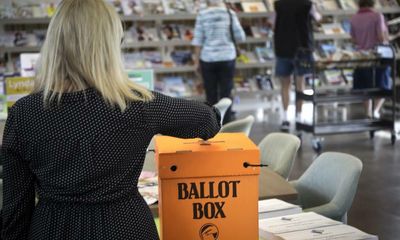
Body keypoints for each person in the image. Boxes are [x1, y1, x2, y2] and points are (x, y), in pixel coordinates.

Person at [1, 0, 221, 239]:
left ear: (55, 44)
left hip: (52, 228)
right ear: (111, 46)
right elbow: (207, 121)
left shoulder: (23, 113)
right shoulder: (138, 104)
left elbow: (16, 211)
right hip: (125, 226)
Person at [192, 0, 246, 124]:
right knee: (226, 93)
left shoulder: (202, 14)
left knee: (210, 94)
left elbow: (198, 40)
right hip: (227, 57)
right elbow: (240, 37)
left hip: (208, 58)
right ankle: (225, 123)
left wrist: (196, 62)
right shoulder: (230, 14)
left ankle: (211, 124)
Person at [273, 0, 321, 132]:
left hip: (283, 48)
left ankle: (285, 119)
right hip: (303, 49)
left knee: (284, 86)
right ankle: (299, 117)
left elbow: (273, 23)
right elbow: (318, 18)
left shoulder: (278, 4)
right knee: (300, 85)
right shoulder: (308, 4)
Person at [350, 0, 392, 118]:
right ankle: (376, 110)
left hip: (361, 57)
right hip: (377, 57)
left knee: (364, 86)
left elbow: (354, 40)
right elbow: (381, 38)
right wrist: (388, 38)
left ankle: (368, 111)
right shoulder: (377, 16)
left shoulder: (354, 18)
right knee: (385, 85)